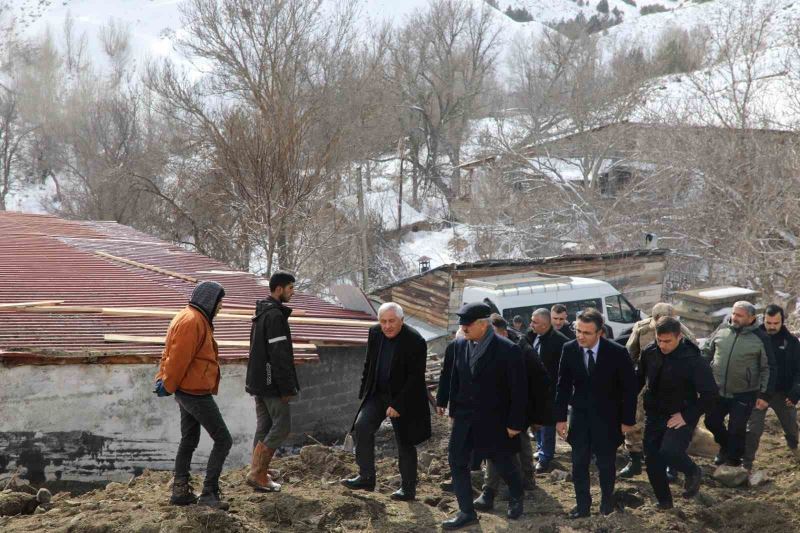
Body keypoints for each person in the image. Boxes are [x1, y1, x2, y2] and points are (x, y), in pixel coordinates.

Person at [442, 303, 528, 530]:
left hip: (495, 420)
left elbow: (519, 391)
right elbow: (456, 380)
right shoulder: (460, 345)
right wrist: (453, 412)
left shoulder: (507, 349)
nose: (463, 327)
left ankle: (517, 496)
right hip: (465, 418)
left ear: (482, 324)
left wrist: (515, 423)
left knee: (503, 462)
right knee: (457, 461)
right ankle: (466, 511)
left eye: (467, 323)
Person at [154, 281, 232, 510]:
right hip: (194, 392)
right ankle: (209, 493)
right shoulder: (193, 321)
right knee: (223, 439)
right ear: (209, 300)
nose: (221, 307)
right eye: (219, 302)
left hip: (186, 389)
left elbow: (169, 355)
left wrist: (167, 383)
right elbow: (178, 359)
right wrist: (167, 384)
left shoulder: (190, 316)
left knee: (189, 439)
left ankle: (180, 492)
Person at [342, 303, 431, 501]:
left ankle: (408, 489)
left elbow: (415, 378)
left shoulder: (415, 341)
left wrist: (398, 404)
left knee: (405, 442)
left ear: (402, 320)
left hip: (404, 397)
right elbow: (369, 363)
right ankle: (366, 477)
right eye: (383, 321)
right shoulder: (375, 333)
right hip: (378, 394)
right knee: (362, 426)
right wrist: (365, 389)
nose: (387, 326)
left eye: (392, 321)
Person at [555, 308, 637, 518]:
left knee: (606, 464)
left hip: (608, 419)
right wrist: (560, 418)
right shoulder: (569, 349)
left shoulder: (617, 353)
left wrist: (627, 420)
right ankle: (582, 506)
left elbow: (629, 389)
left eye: (587, 333)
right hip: (580, 418)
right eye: (578, 331)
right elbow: (563, 385)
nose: (581, 336)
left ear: (600, 332)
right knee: (579, 463)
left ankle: (606, 504)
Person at [472, 314, 550, 511]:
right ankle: (494, 488)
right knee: (496, 447)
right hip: (496, 408)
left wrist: (537, 416)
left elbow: (540, 382)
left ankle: (524, 479)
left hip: (521, 406)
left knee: (519, 442)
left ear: (504, 333)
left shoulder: (523, 351)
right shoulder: (482, 347)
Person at [638, 317, 717, 509]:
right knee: (652, 458)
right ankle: (664, 501)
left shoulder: (693, 360)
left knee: (670, 451)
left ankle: (692, 471)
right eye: (659, 340)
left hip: (681, 415)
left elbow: (710, 394)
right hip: (654, 414)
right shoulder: (649, 352)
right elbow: (638, 379)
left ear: (679, 337)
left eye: (667, 341)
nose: (662, 345)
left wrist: (687, 416)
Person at [620, 303, 697, 479]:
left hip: (672, 388)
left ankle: (672, 464)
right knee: (634, 422)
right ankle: (635, 461)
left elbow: (694, 358)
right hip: (645, 383)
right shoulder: (642, 329)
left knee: (670, 426)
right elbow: (629, 354)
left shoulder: (683, 333)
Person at [703, 301, 775, 467]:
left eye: (739, 315)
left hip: (744, 392)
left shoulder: (760, 338)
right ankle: (726, 447)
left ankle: (734, 460)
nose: (734, 317)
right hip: (718, 389)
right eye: (734, 313)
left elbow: (769, 367)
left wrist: (765, 395)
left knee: (737, 428)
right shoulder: (721, 329)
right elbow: (707, 352)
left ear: (751, 318)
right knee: (711, 422)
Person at [245, 271, 299, 493]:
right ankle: (258, 473)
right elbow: (279, 355)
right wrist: (286, 387)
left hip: (259, 381)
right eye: (290, 288)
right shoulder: (274, 316)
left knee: (265, 425)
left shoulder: (262, 312)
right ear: (279, 289)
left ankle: (258, 470)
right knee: (282, 425)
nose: (292, 292)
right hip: (270, 382)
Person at [743, 304, 800, 469]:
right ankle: (746, 463)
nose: (772, 327)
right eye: (769, 323)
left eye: (776, 323)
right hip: (759, 392)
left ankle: (793, 444)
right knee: (753, 429)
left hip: (783, 392)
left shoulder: (791, 342)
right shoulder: (754, 337)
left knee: (790, 425)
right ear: (763, 320)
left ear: (782, 321)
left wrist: (796, 391)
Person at [520, 308, 568, 474]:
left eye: (535, 322)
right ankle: (540, 449)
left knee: (547, 424)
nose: (531, 324)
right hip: (533, 390)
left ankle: (546, 457)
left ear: (546, 324)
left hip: (550, 390)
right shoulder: (532, 336)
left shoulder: (559, 341)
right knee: (536, 422)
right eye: (532, 321)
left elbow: (563, 369)